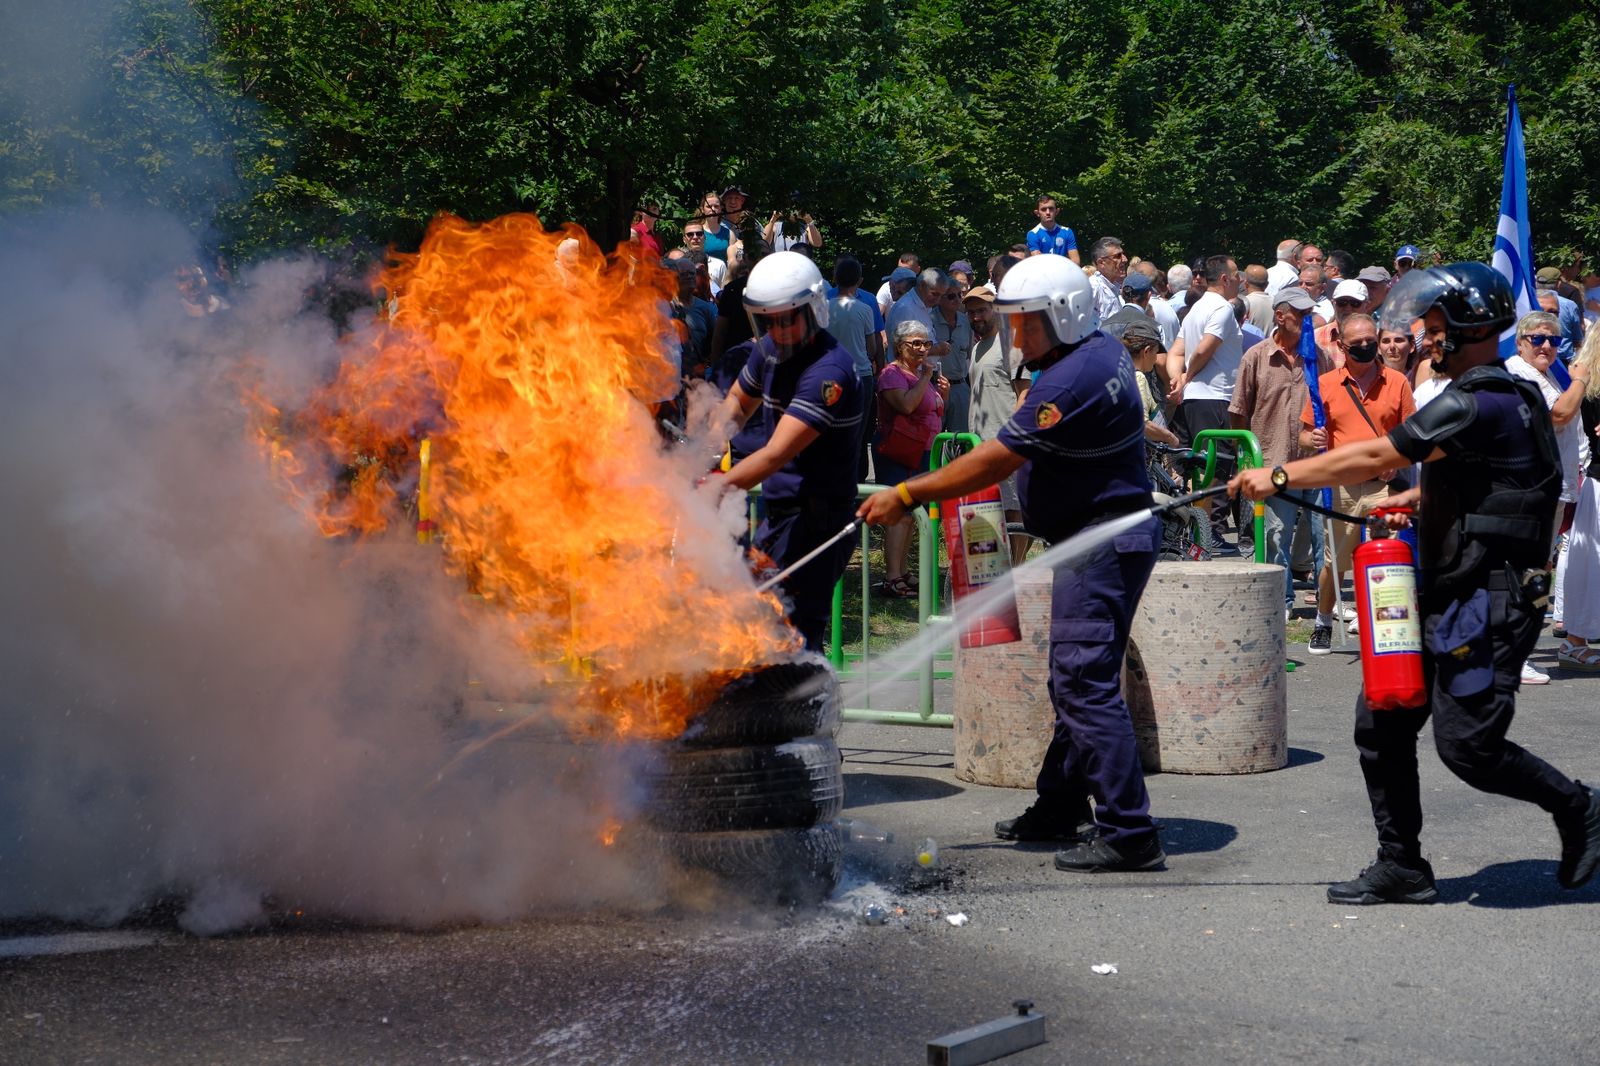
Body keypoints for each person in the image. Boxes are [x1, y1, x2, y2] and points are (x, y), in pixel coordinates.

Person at [1230, 261, 1600, 904]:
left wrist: (1283, 476)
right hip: (1450, 586)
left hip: (1490, 600)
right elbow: (1497, 489)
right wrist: (1419, 502)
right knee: (1382, 720)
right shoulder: (1505, 396)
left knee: (1470, 747)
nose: (1426, 338)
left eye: (1435, 327)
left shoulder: (1478, 398)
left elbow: (1381, 453)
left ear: (1466, 328)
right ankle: (1401, 863)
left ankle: (1580, 807)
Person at [859, 254, 1166, 873]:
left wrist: (910, 492)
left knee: (1083, 681)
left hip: (1102, 544)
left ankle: (1130, 830)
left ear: (1063, 316)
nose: (1013, 336)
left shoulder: (1067, 381)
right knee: (1075, 678)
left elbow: (996, 459)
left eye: (1024, 324)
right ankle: (1060, 805)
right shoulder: (1097, 349)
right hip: (1102, 540)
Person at [711, 251, 863, 651]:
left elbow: (776, 453)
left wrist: (713, 488)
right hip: (780, 516)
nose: (777, 329)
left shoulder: (829, 372)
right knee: (755, 622)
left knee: (793, 634)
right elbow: (736, 406)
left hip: (819, 522)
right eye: (767, 320)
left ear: (812, 309)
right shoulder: (768, 351)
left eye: (787, 318)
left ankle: (806, 710)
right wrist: (702, 450)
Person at [1298, 311, 1415, 653]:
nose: (1365, 348)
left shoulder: (1397, 382)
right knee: (1336, 562)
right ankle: (1322, 622)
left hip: (1385, 486)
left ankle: (1387, 624)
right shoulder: (1325, 385)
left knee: (1388, 558)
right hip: (1342, 486)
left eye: (1370, 341)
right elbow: (1305, 436)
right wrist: (1314, 439)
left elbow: (1410, 434)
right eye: (1356, 344)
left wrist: (1398, 460)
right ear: (1341, 346)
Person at [1228, 286, 1334, 617]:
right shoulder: (1255, 357)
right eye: (1301, 315)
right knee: (1276, 535)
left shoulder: (1320, 357)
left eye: (1309, 315)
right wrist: (1247, 458)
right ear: (1279, 315)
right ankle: (1282, 601)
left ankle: (1326, 603)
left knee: (1325, 536)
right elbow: (1238, 411)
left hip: (1316, 464)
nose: (1307, 321)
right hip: (1273, 460)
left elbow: (1334, 405)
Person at [1507, 310, 1588, 685]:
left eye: (1553, 340)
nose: (1546, 346)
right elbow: (1559, 415)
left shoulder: (1543, 374)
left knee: (1535, 569)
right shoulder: (1521, 374)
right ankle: (1514, 655)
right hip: (1532, 487)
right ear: (1521, 341)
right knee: (1527, 571)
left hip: (1549, 486)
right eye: (1537, 339)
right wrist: (1581, 382)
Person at [1166, 254, 1245, 552]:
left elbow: (1176, 352)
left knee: (1199, 467)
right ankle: (1207, 534)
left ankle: (1194, 533)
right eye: (1236, 274)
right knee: (1215, 468)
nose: (1240, 280)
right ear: (1224, 278)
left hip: (1196, 399)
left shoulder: (1196, 308)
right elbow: (1202, 349)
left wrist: (1178, 378)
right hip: (1215, 398)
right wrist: (1185, 377)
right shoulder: (1222, 309)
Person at [873, 320, 947, 597]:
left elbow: (934, 410)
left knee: (913, 514)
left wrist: (943, 393)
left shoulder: (918, 374)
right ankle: (892, 577)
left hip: (921, 451)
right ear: (899, 346)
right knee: (899, 515)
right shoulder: (892, 374)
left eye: (926, 343)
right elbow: (905, 405)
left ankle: (902, 571)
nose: (922, 349)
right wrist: (927, 378)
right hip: (898, 451)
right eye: (914, 343)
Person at [1555, 328, 1600, 669]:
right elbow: (1567, 418)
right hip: (1596, 481)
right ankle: (1575, 641)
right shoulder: (1585, 380)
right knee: (1587, 564)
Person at [827, 256, 881, 480]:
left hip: (830, 374)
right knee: (858, 433)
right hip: (861, 375)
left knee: (830, 430)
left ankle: (832, 478)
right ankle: (856, 484)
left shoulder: (823, 308)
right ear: (859, 281)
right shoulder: (865, 308)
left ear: (835, 279)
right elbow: (871, 347)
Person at [933, 282, 973, 434]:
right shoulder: (929, 319)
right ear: (940, 299)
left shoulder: (965, 321)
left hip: (960, 386)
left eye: (959, 295)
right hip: (936, 387)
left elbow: (969, 354)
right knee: (934, 438)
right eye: (951, 296)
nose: (957, 299)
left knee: (960, 439)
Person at [1026, 195, 1080, 262]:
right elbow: (1038, 261)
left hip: (1064, 271)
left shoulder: (1067, 232)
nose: (1048, 212)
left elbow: (1075, 260)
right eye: (1043, 209)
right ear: (1037, 213)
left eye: (1051, 208)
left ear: (1057, 211)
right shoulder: (1033, 234)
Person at [1088, 237, 1127, 321]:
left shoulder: (1113, 288)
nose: (1125, 259)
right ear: (1101, 263)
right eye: (1118, 256)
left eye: (1123, 254)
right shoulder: (1093, 288)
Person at [698, 191, 735, 262]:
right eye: (709, 206)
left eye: (716, 206)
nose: (713, 209)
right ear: (702, 209)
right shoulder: (696, 233)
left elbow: (732, 261)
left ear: (721, 209)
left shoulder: (729, 234)